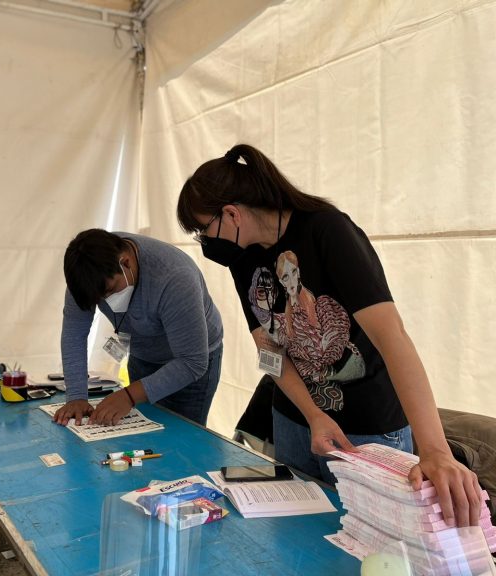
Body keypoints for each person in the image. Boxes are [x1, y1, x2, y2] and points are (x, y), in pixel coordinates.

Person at [176, 144, 482, 527]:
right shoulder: (244, 257)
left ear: (232, 213)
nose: (205, 242)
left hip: (368, 427)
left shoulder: (327, 231)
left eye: (204, 230)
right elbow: (268, 349)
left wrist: (436, 451)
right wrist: (313, 415)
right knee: (298, 538)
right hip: (293, 418)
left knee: (375, 542)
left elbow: (393, 339)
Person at [53, 228, 223, 427]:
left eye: (109, 291)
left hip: (192, 364)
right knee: (143, 436)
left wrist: (129, 396)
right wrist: (76, 397)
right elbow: (74, 333)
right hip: (143, 356)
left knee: (181, 443)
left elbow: (192, 361)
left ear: (125, 262)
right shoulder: (84, 275)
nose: (105, 301)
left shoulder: (174, 277)